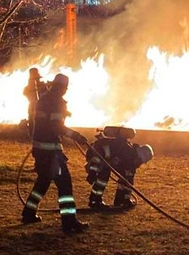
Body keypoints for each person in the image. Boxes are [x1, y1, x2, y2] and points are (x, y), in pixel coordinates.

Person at [21, 73, 90, 234]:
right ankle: (69, 222)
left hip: (40, 150)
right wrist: (76, 136)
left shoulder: (43, 100)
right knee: (65, 186)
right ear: (63, 88)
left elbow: (45, 122)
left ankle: (29, 213)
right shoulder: (57, 102)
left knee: (43, 182)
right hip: (52, 153)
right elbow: (56, 126)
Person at [85, 126, 154, 209]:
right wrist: (93, 171)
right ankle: (95, 201)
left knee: (113, 174)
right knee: (103, 176)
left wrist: (125, 200)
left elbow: (126, 180)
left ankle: (119, 200)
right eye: (140, 161)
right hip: (96, 154)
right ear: (138, 157)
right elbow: (98, 157)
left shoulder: (130, 156)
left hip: (102, 157)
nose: (139, 164)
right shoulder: (126, 155)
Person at [22, 68, 48, 136]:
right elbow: (27, 95)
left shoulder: (44, 87)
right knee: (32, 125)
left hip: (43, 108)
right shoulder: (27, 88)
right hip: (33, 108)